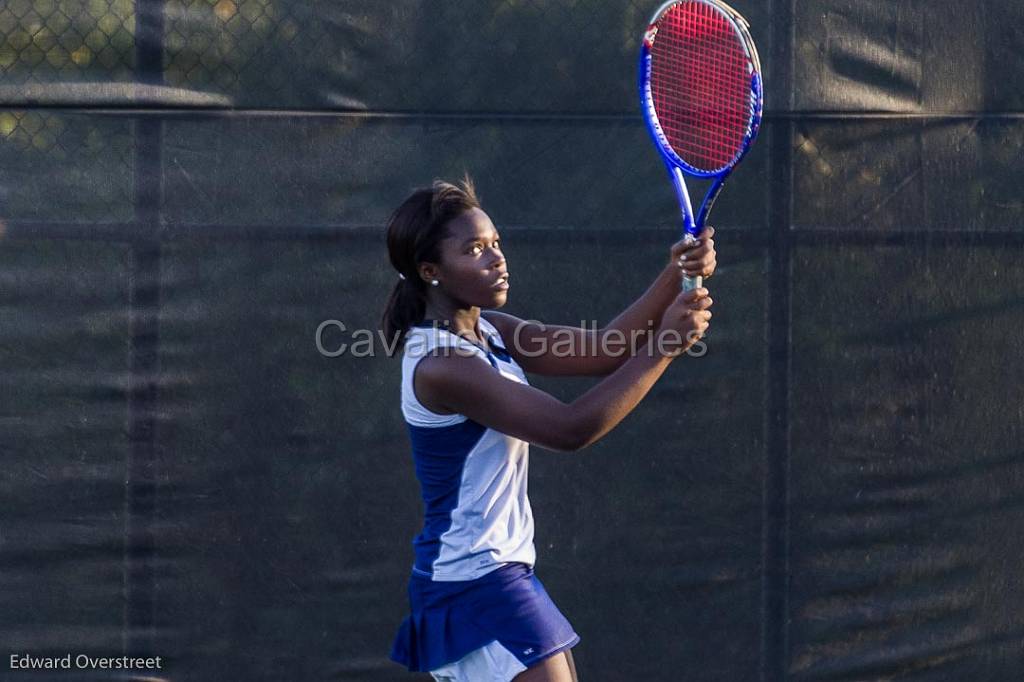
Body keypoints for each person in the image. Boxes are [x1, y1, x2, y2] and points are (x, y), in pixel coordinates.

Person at [383, 177, 716, 682]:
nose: (496, 258)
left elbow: (605, 348)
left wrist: (675, 273)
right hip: (470, 583)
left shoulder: (491, 331)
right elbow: (569, 428)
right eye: (474, 250)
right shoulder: (442, 362)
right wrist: (665, 345)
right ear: (431, 271)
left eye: (495, 243)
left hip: (496, 575)